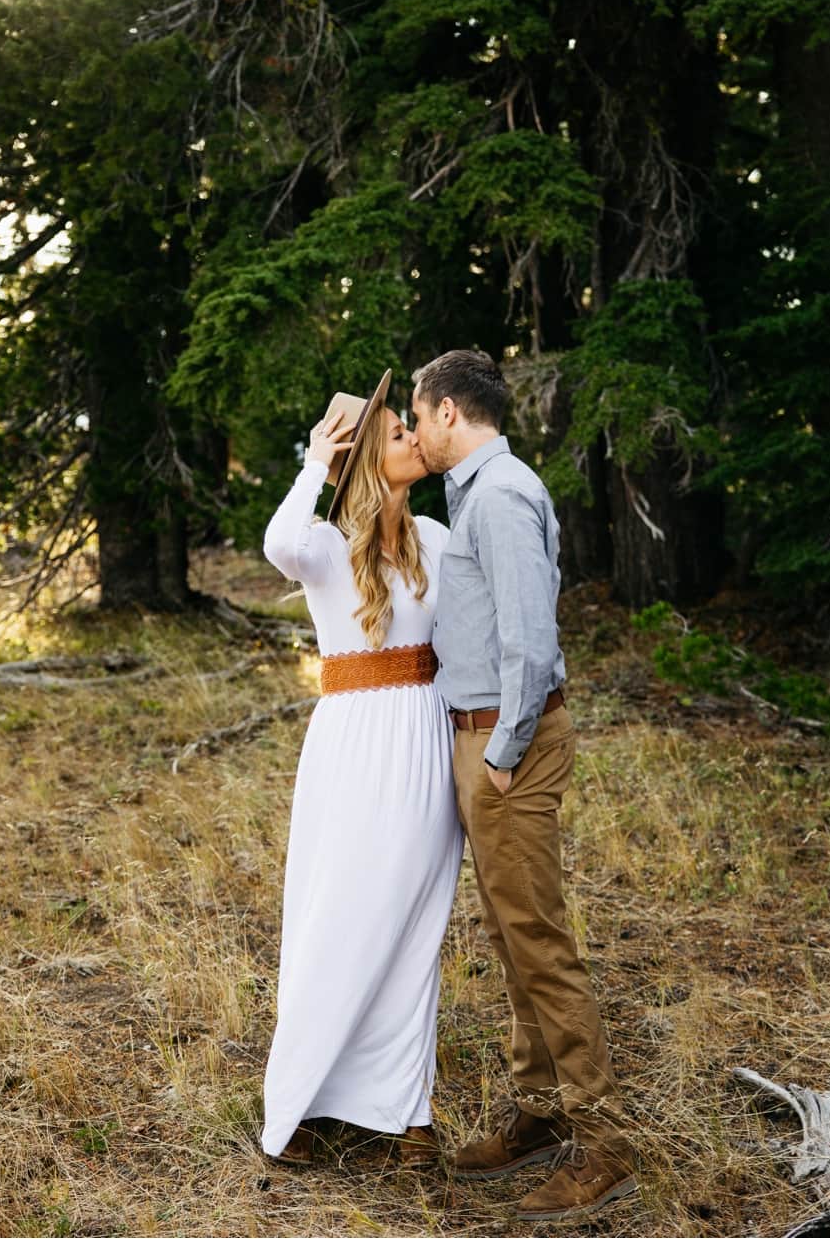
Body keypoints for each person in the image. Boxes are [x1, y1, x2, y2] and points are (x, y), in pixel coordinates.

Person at [407, 349, 637, 1224]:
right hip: (484, 738)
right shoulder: (478, 494)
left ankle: (605, 1140)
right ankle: (540, 1109)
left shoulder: (498, 496)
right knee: (510, 932)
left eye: (422, 417)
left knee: (539, 937)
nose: (418, 434)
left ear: (451, 413)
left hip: (512, 742)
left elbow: (531, 639)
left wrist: (501, 752)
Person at [259, 369, 462, 1169]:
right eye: (399, 431)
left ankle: (406, 1109)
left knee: (416, 923)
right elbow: (277, 541)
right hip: (351, 748)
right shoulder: (325, 551)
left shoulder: (438, 542)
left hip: (423, 741)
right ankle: (300, 1100)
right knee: (337, 918)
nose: (414, 435)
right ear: (368, 455)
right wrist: (318, 460)